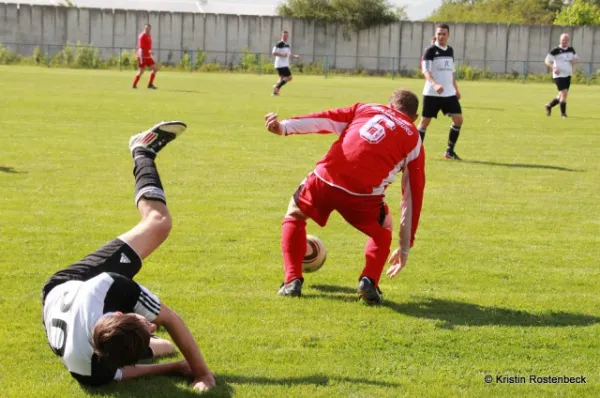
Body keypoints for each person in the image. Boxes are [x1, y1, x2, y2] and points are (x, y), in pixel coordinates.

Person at [42, 121, 215, 392]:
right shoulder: (92, 371)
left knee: (158, 222)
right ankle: (142, 150)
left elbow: (169, 318)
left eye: (143, 323)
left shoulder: (108, 286)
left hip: (67, 286)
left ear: (121, 311)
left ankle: (142, 150)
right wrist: (178, 366)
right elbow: (121, 372)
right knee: (166, 346)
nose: (150, 323)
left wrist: (203, 374)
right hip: (77, 317)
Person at [264, 89, 426, 305]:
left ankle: (292, 281)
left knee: (296, 211)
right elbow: (412, 198)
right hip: (363, 196)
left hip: (326, 178)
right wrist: (405, 247)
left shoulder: (366, 108)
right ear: (414, 118)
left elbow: (324, 119)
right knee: (384, 227)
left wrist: (283, 127)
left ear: (389, 105)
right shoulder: (414, 140)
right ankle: (369, 280)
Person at [417, 23, 464, 160]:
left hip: (449, 93)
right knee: (424, 123)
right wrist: (435, 84)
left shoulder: (450, 50)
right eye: (439, 34)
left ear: (448, 35)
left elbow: (452, 72)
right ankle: (415, 153)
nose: (441, 36)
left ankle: (449, 152)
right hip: (432, 93)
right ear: (435, 35)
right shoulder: (430, 50)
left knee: (458, 120)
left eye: (444, 34)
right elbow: (425, 71)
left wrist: (456, 89)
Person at [544, 33, 578, 118]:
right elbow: (547, 61)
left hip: (568, 75)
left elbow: (575, 58)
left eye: (566, 40)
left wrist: (574, 60)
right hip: (558, 76)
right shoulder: (555, 50)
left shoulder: (571, 49)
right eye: (563, 40)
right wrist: (553, 68)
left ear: (568, 41)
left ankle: (549, 106)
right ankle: (563, 114)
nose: (564, 42)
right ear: (560, 40)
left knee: (561, 95)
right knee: (564, 94)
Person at [271, 30, 299, 96]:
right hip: (281, 65)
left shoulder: (287, 45)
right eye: (284, 35)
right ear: (281, 36)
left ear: (288, 37)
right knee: (289, 77)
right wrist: (282, 55)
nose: (285, 37)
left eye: (286, 36)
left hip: (284, 64)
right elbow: (274, 53)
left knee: (281, 79)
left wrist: (295, 56)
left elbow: (288, 54)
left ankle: (275, 93)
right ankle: (277, 86)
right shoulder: (279, 43)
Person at [133, 24, 158, 89]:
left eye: (149, 28)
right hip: (142, 56)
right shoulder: (142, 36)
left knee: (155, 68)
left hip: (148, 56)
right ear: (144, 28)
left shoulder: (149, 35)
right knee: (141, 71)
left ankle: (150, 84)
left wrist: (150, 51)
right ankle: (134, 84)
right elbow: (141, 48)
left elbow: (148, 46)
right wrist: (142, 55)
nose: (148, 30)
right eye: (146, 28)